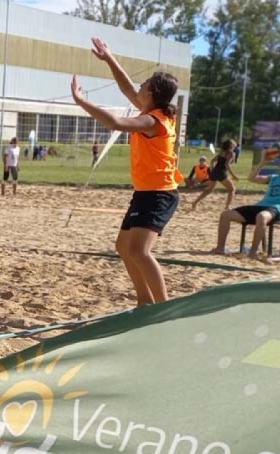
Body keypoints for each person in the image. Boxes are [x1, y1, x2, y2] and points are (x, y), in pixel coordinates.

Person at [71, 37, 182, 306]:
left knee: (139, 251)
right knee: (124, 247)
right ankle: (144, 301)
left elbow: (114, 122)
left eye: (143, 85)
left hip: (160, 194)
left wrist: (80, 101)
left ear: (152, 93)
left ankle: (164, 308)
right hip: (146, 193)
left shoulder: (151, 120)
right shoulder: (153, 111)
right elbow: (126, 87)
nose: (138, 88)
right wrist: (109, 57)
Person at [211, 143, 280, 259]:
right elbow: (251, 178)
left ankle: (253, 252)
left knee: (261, 216)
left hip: (276, 210)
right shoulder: (273, 177)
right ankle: (220, 248)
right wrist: (263, 161)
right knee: (225, 215)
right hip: (260, 207)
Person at [191, 139, 239, 211]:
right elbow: (227, 165)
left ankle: (195, 202)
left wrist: (212, 170)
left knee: (209, 190)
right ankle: (227, 207)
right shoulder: (231, 153)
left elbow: (212, 161)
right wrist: (233, 175)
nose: (235, 144)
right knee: (232, 189)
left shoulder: (222, 152)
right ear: (231, 145)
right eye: (233, 143)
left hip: (215, 172)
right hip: (221, 173)